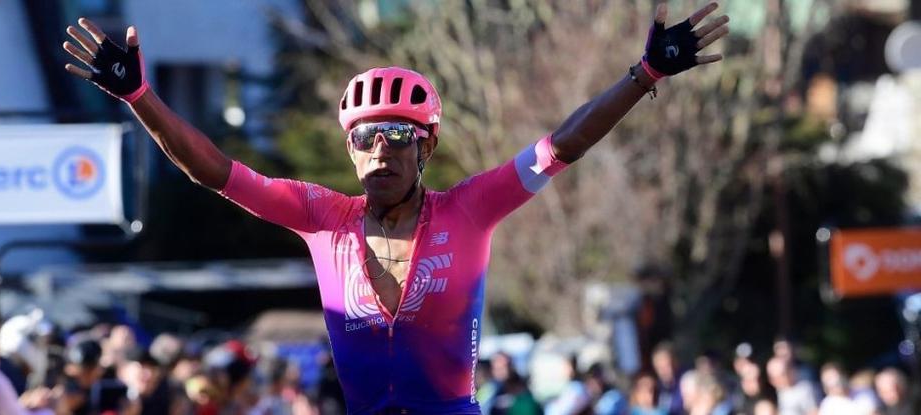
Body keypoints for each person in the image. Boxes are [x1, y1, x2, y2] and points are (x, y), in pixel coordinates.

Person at [62, 2, 729, 412]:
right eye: (365, 137)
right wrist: (140, 98)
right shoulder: (321, 215)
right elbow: (213, 171)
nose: (382, 149)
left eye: (400, 136)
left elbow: (564, 143)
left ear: (427, 146)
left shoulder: (471, 208)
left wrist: (643, 77)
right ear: (351, 151)